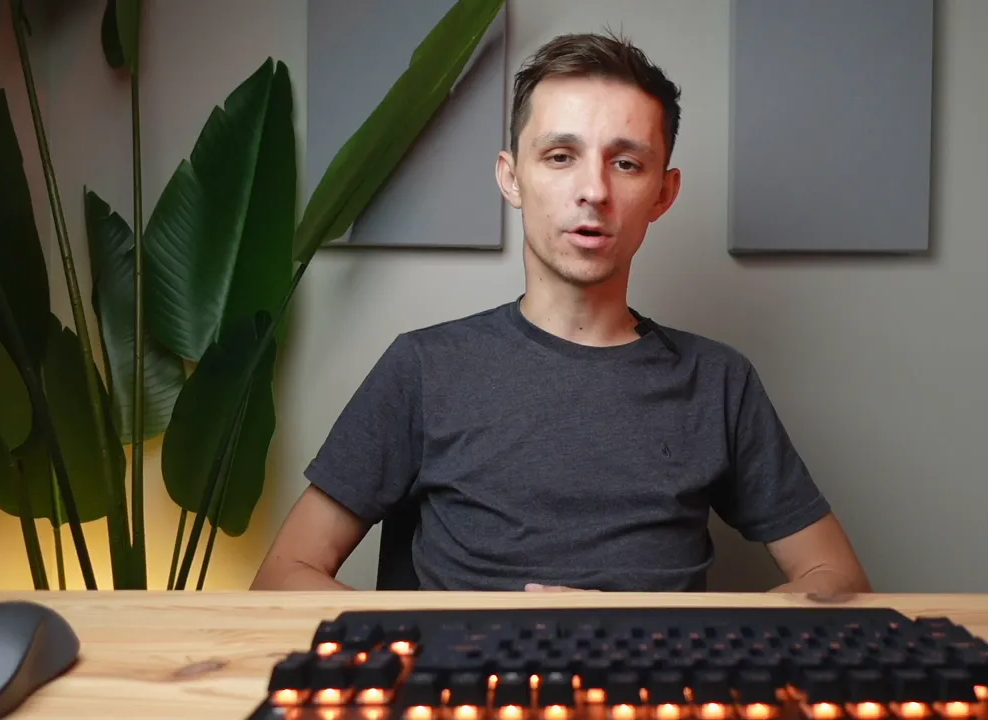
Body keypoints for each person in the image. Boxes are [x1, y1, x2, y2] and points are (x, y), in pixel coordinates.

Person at [251, 30, 872, 594]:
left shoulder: (718, 381)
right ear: (512, 177)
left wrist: (656, 633)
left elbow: (836, 575)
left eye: (626, 162)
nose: (595, 191)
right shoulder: (425, 367)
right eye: (560, 156)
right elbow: (285, 574)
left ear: (664, 192)